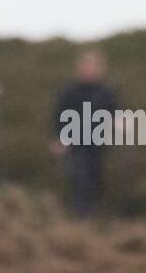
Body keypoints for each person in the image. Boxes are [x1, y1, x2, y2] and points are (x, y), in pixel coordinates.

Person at [49, 48, 119, 218]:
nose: (89, 69)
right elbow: (59, 117)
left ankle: (96, 217)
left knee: (97, 180)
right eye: (86, 65)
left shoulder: (107, 92)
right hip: (76, 145)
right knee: (80, 179)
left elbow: (117, 114)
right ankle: (81, 220)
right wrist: (58, 140)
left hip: (100, 145)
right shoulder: (69, 92)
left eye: (93, 66)